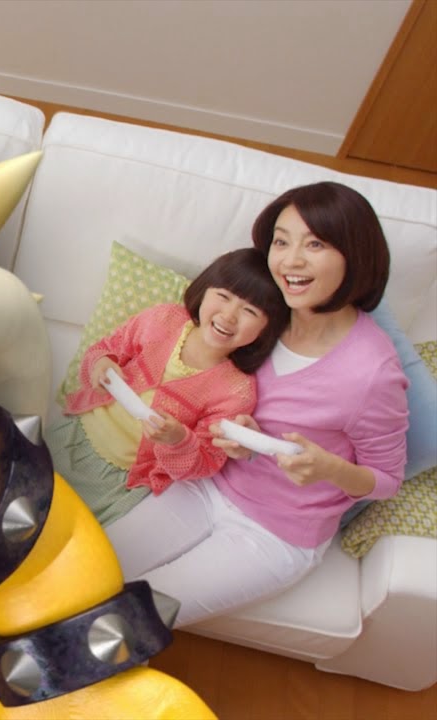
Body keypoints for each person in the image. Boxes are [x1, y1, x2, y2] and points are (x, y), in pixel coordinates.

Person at [104, 182, 408, 627]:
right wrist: (241, 442)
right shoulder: (263, 315)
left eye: (315, 244)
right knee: (93, 565)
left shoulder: (373, 373)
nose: (291, 260)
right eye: (281, 242)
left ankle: (33, 670)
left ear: (354, 254)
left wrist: (329, 469)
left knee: (131, 618)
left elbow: (387, 480)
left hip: (276, 535)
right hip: (205, 486)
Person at [47, 248, 289, 526]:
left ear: (266, 329)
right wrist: (101, 364)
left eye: (249, 311)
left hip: (120, 480)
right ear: (204, 289)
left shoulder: (237, 391)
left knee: (64, 530)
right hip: (73, 434)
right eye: (223, 296)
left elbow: (205, 462)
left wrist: (178, 440)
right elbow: (103, 349)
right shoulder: (163, 319)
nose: (229, 315)